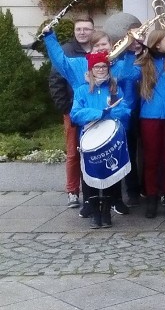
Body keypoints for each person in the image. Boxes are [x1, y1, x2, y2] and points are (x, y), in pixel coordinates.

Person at [123, 29, 165, 218]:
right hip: (150, 116)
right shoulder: (144, 63)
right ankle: (151, 198)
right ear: (157, 43)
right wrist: (129, 51)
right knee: (150, 160)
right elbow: (126, 75)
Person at [70, 51, 131, 229]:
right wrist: (98, 113)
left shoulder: (114, 88)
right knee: (91, 176)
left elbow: (125, 110)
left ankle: (106, 213)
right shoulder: (82, 90)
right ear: (91, 70)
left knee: (111, 175)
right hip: (90, 139)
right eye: (97, 66)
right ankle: (95, 212)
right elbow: (76, 114)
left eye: (104, 66)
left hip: (110, 139)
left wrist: (110, 113)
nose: (101, 69)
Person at [47, 16, 93, 209]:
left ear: (92, 31)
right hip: (73, 109)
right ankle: (73, 191)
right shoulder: (66, 51)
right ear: (74, 32)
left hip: (93, 109)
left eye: (86, 29)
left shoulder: (98, 49)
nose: (82, 32)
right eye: (79, 29)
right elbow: (55, 81)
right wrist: (65, 107)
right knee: (73, 152)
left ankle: (92, 189)